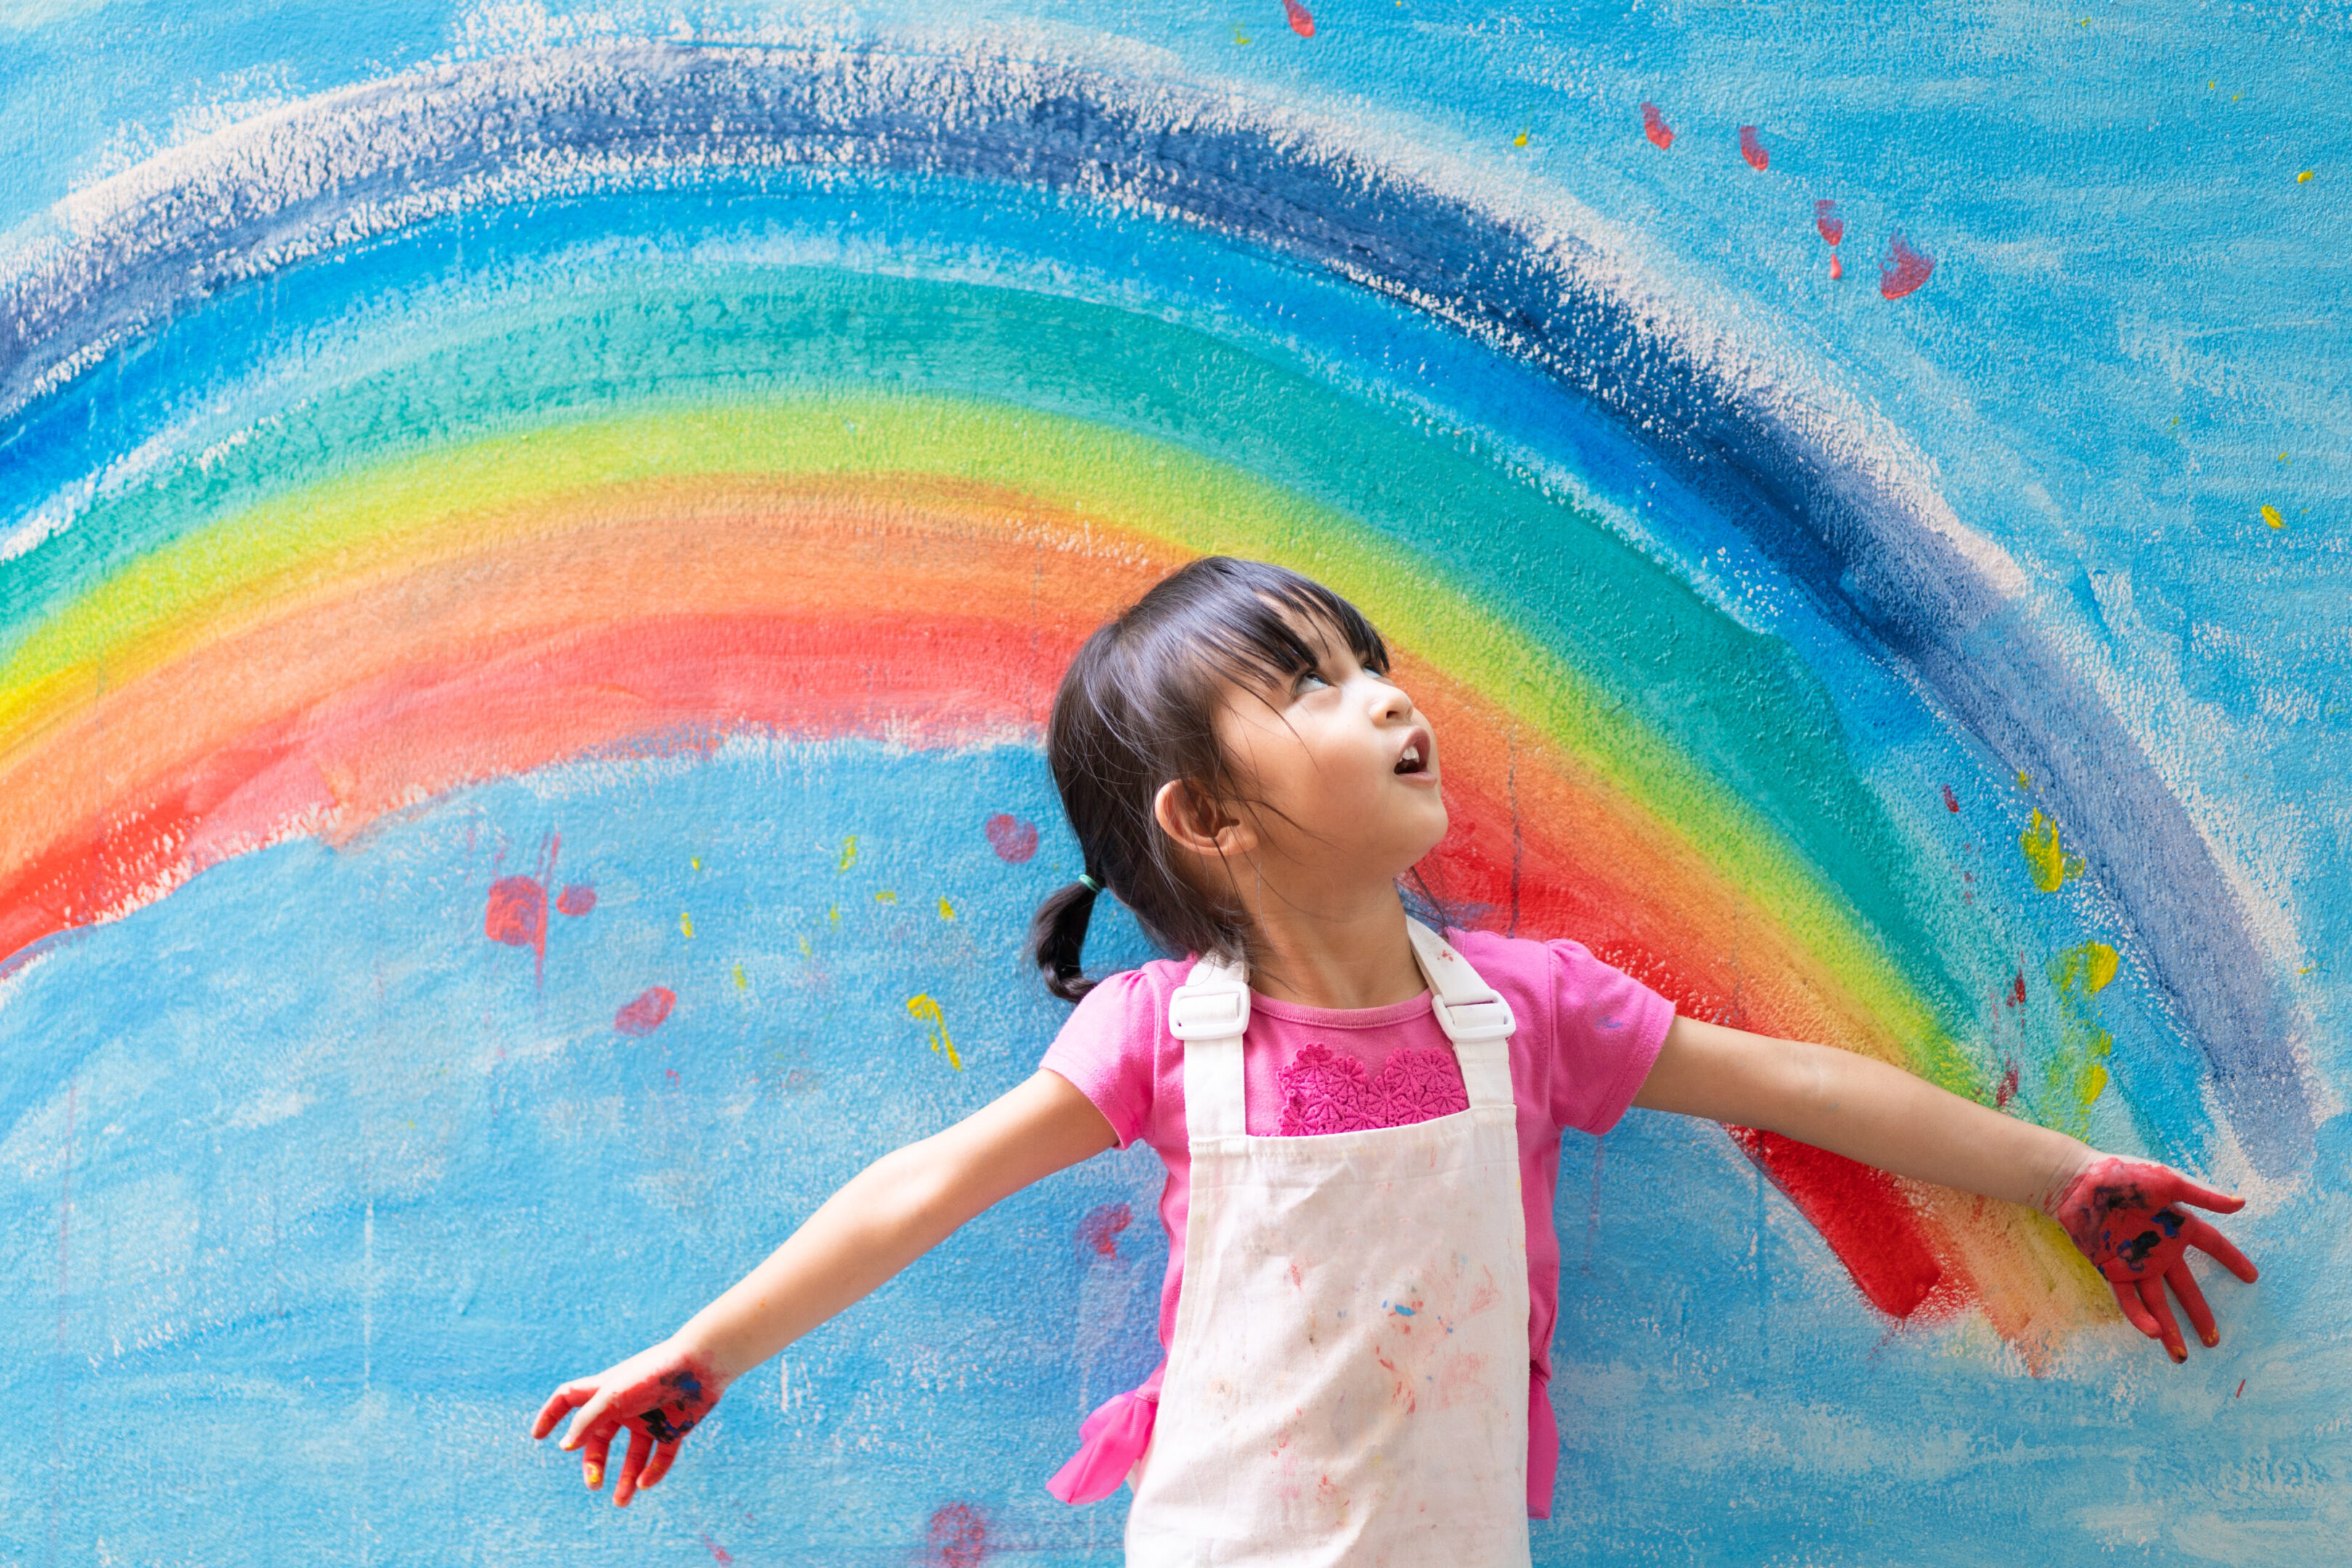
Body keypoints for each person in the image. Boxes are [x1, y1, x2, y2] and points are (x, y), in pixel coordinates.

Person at [529, 557, 2258, 1561]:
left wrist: (2063, 1179)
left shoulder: (1532, 1013)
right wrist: (705, 1351)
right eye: (1311, 687)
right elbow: (923, 1192)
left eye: (1370, 664)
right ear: (1205, 822)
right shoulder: (1166, 1038)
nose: (1381, 696)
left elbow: (1803, 1091)